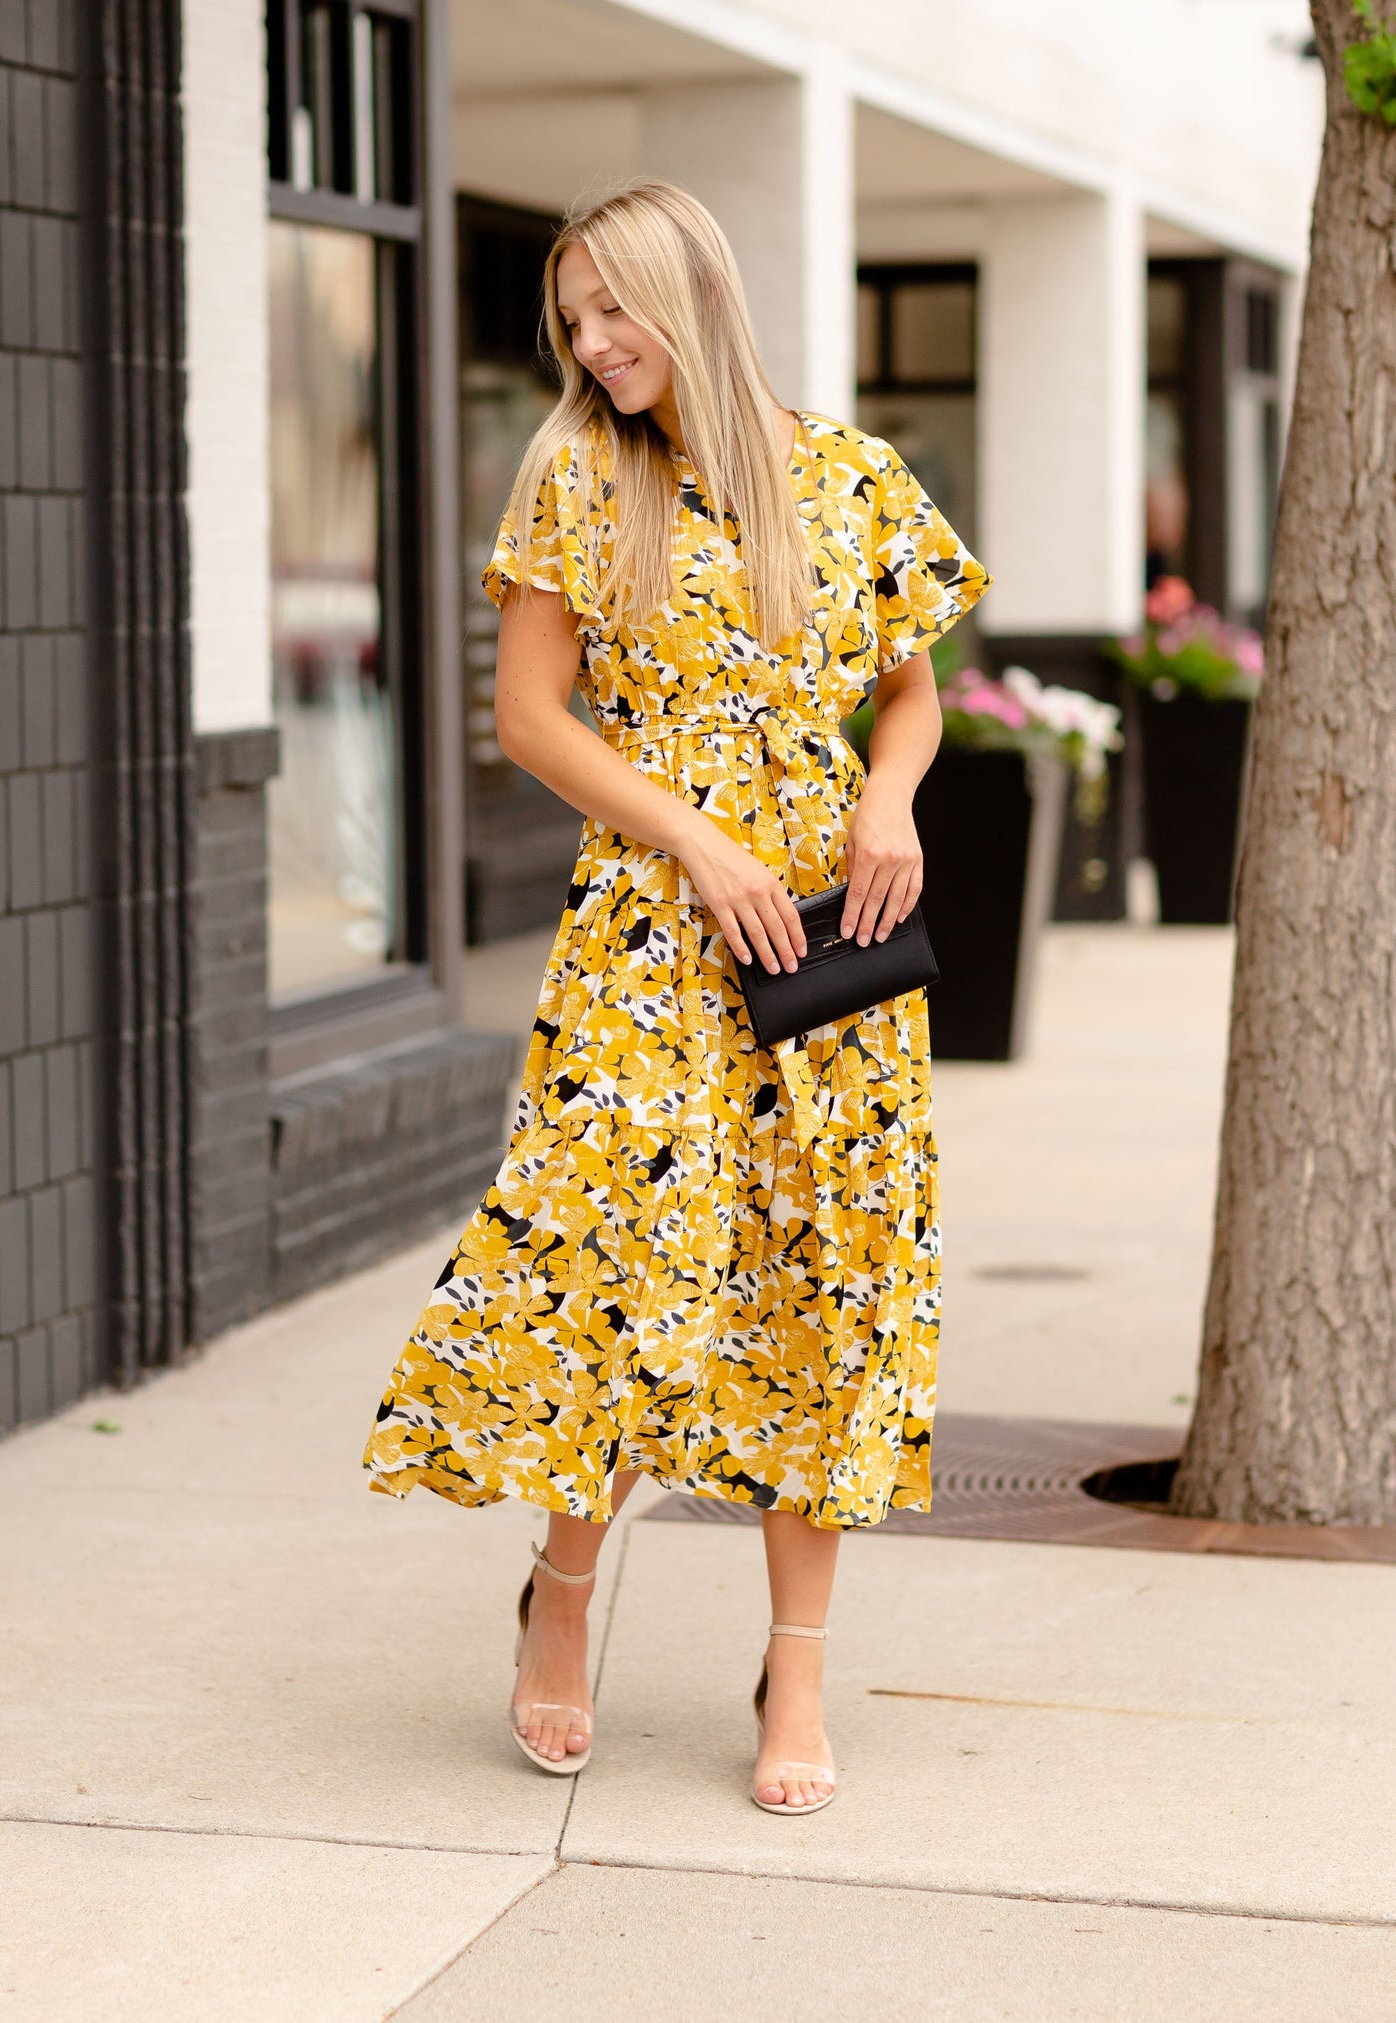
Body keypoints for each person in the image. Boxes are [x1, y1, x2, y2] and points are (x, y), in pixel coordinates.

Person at [364, 179, 988, 1816]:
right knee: (622, 1276)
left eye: (611, 311)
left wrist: (889, 801)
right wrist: (697, 841)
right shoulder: (580, 474)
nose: (591, 343)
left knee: (824, 1287)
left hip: (837, 942)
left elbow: (910, 694)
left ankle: (794, 1669)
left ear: (684, 295)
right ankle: (559, 1600)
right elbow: (529, 718)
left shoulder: (847, 478)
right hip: (653, 936)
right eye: (571, 319)